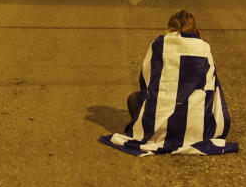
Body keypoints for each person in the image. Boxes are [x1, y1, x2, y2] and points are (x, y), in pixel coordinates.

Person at [100, 10, 238, 156]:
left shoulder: (158, 45)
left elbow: (146, 83)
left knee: (134, 98)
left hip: (160, 128)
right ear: (195, 29)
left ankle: (161, 130)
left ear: (170, 28)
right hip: (199, 129)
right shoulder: (204, 48)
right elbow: (213, 87)